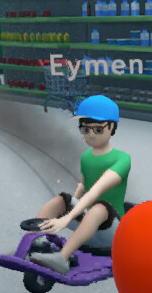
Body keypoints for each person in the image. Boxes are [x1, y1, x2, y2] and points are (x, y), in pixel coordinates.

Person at [23, 95, 129, 274]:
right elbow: (84, 186)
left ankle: (62, 258)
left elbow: (96, 191)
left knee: (100, 208)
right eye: (85, 129)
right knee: (62, 199)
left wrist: (66, 219)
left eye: (97, 129)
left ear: (112, 127)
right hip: (89, 226)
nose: (90, 135)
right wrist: (68, 206)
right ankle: (29, 244)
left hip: (112, 231)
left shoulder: (122, 159)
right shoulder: (86, 157)